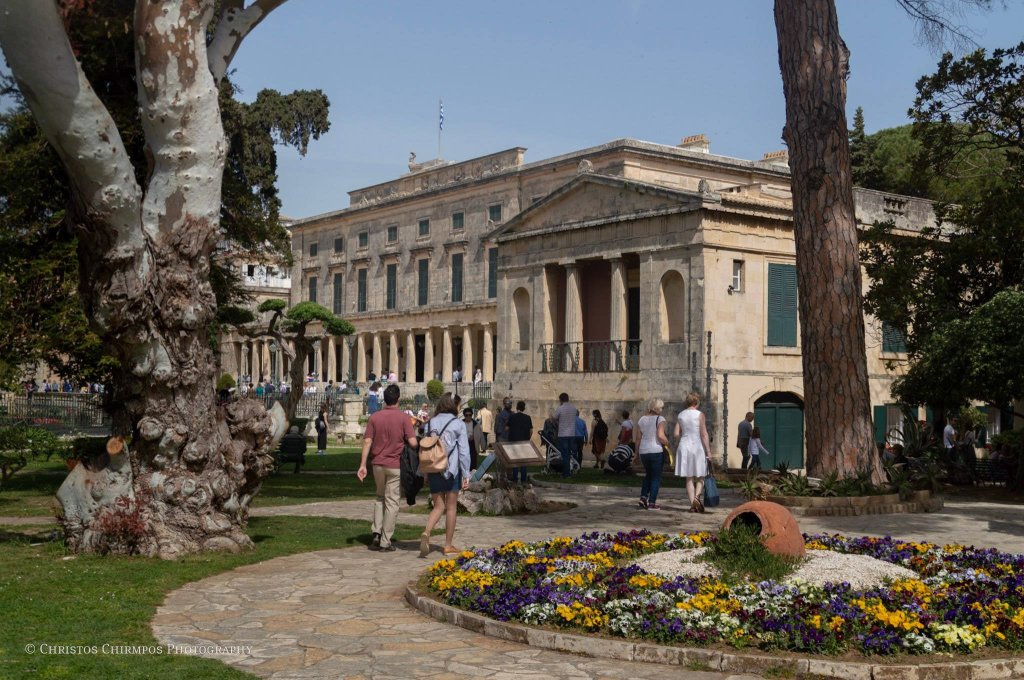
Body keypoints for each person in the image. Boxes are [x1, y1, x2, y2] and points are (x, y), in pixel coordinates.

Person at [357, 384, 417, 552]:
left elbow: (367, 441)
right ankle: (385, 540)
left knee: (380, 497)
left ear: (384, 399)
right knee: (392, 502)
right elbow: (413, 443)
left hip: (377, 464)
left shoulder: (375, 417)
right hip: (394, 465)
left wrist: (362, 465)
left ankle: (376, 532)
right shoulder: (404, 418)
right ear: (398, 399)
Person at [420, 393, 471, 557]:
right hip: (451, 469)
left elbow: (426, 449)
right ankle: (448, 545)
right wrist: (466, 473)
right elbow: (464, 451)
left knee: (438, 506)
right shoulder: (458, 424)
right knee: (451, 507)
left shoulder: (430, 423)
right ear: (453, 405)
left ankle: (427, 531)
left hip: (433, 468)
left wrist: (425, 473)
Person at [675, 392, 712, 513]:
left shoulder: (681, 414)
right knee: (701, 474)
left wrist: (684, 438)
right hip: (697, 446)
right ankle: (697, 498)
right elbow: (704, 434)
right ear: (697, 402)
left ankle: (692, 504)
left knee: (689, 477)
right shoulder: (700, 414)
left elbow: (676, 434)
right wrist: (708, 451)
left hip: (684, 445)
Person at [635, 398, 670, 509]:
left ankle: (643, 497)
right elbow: (660, 436)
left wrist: (636, 454)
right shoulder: (660, 419)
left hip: (643, 451)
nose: (662, 409)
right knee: (656, 477)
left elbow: (638, 438)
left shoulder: (641, 419)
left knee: (648, 474)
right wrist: (667, 443)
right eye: (662, 407)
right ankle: (652, 503)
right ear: (657, 408)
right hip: (655, 450)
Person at [508, 400, 533, 484]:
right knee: (523, 461)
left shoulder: (512, 417)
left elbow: (506, 428)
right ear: (524, 408)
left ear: (517, 407)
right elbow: (531, 431)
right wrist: (527, 438)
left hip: (514, 441)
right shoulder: (528, 417)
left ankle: (515, 478)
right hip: (524, 442)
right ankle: (523, 479)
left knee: (515, 461)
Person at [555, 393, 578, 477]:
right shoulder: (574, 408)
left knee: (564, 455)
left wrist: (558, 422)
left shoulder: (560, 408)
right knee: (569, 454)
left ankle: (566, 473)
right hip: (571, 434)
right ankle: (570, 470)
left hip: (563, 434)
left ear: (561, 400)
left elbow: (554, 418)